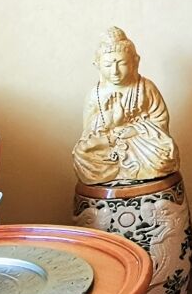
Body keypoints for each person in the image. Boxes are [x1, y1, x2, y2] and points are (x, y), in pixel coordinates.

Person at [74, 27, 177, 186]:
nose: (115, 71)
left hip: (141, 141)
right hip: (108, 142)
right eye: (108, 65)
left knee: (165, 154)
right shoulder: (95, 95)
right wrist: (109, 122)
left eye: (121, 63)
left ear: (135, 62)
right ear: (98, 65)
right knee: (82, 154)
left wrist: (136, 129)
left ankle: (134, 169)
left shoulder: (145, 87)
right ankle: (111, 170)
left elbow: (160, 120)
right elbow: (88, 132)